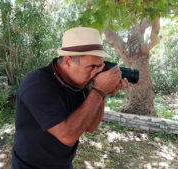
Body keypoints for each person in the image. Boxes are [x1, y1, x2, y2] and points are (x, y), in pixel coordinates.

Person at [11, 27, 129, 169]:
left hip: (63, 164)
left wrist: (103, 94)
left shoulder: (81, 83)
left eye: (99, 68)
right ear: (68, 61)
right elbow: (66, 136)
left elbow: (91, 127)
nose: (96, 73)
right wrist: (99, 91)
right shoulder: (37, 83)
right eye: (92, 67)